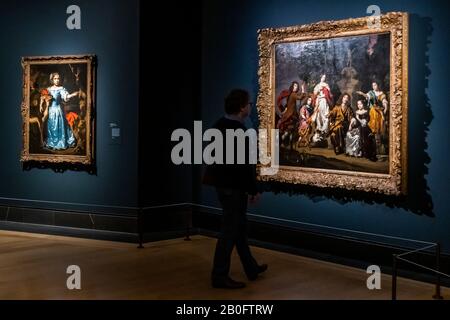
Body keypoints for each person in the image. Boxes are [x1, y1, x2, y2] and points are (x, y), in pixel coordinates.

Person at [203, 89, 267, 289]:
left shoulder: (218, 125)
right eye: (249, 104)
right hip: (233, 188)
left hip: (223, 186)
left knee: (237, 228)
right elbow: (244, 167)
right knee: (230, 231)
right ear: (241, 107)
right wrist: (254, 190)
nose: (251, 107)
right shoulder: (238, 131)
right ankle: (219, 275)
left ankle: (250, 267)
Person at [40, 72, 80, 150]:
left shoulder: (61, 89)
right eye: (55, 79)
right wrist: (41, 105)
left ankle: (61, 142)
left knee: (59, 125)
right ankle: (52, 142)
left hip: (58, 110)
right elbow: (42, 97)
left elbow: (66, 96)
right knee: (51, 126)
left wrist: (72, 95)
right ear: (52, 80)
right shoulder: (48, 89)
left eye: (58, 78)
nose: (57, 80)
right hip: (50, 110)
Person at [356, 81, 388, 155]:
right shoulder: (371, 92)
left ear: (378, 85)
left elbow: (384, 101)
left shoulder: (381, 93)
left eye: (375, 85)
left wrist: (385, 107)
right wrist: (362, 94)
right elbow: (367, 96)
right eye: (372, 85)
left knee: (380, 116)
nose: (374, 86)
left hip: (380, 110)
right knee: (373, 111)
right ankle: (373, 130)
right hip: (372, 111)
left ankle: (379, 143)